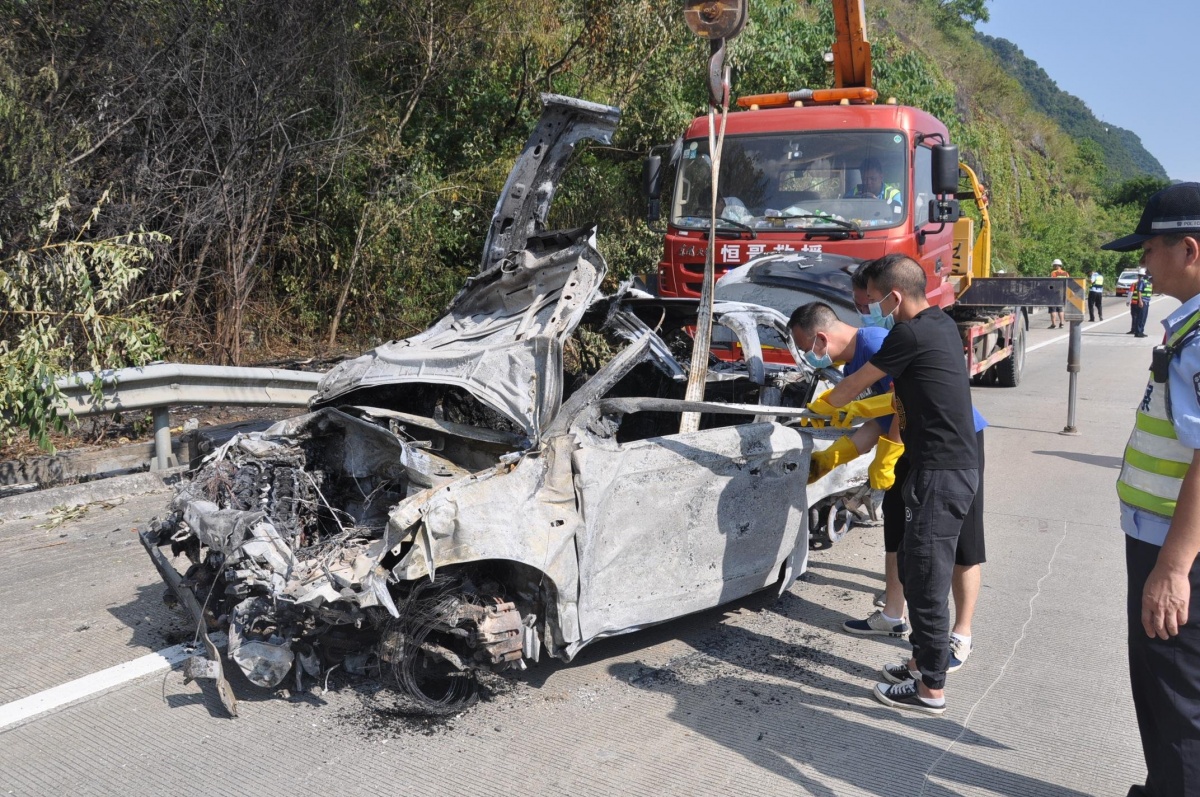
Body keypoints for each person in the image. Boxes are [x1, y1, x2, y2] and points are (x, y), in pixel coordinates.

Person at [809, 253, 978, 715]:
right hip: (946, 465)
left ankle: (930, 689)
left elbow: (853, 387)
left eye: (873, 298)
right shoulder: (940, 324)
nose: (870, 307)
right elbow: (893, 405)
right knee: (918, 562)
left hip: (940, 471)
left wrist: (824, 407)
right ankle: (921, 663)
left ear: (894, 296)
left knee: (924, 576)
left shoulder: (907, 333)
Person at [1101, 181, 1200, 796]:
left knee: (1175, 696)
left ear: (1188, 249)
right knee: (1170, 690)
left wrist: (1173, 565)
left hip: (1176, 545)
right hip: (1170, 538)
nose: (1141, 262)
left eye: (1148, 249)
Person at [1129, 268, 1153, 338]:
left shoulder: (1149, 283)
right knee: (1140, 317)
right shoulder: (1142, 282)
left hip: (1147, 302)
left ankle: (1141, 331)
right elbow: (1139, 291)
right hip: (1143, 301)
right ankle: (1138, 332)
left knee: (1144, 318)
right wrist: (1140, 301)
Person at [1049, 258, 1070, 328]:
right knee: (1060, 308)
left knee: (1053, 309)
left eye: (1054, 266)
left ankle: (1054, 324)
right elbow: (1068, 282)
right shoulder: (1066, 273)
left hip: (1054, 292)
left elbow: (1051, 282)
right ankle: (1061, 323)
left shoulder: (1053, 273)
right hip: (1062, 292)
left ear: (1056, 265)